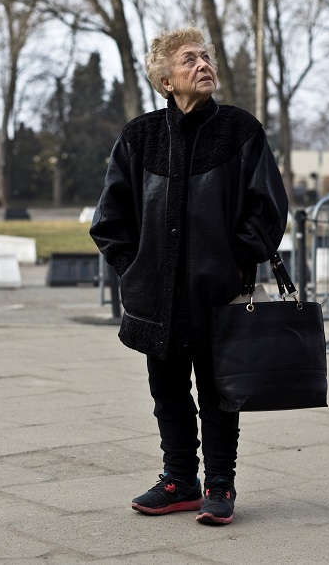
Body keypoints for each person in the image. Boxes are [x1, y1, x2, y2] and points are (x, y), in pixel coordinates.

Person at [89, 26, 288, 526]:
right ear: (165, 80)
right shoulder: (139, 136)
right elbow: (110, 220)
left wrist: (234, 260)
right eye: (188, 59)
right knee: (167, 391)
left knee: (221, 393)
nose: (202, 65)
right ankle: (179, 480)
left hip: (218, 293)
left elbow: (268, 209)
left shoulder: (241, 131)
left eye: (205, 57)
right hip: (155, 298)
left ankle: (220, 484)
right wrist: (134, 269)